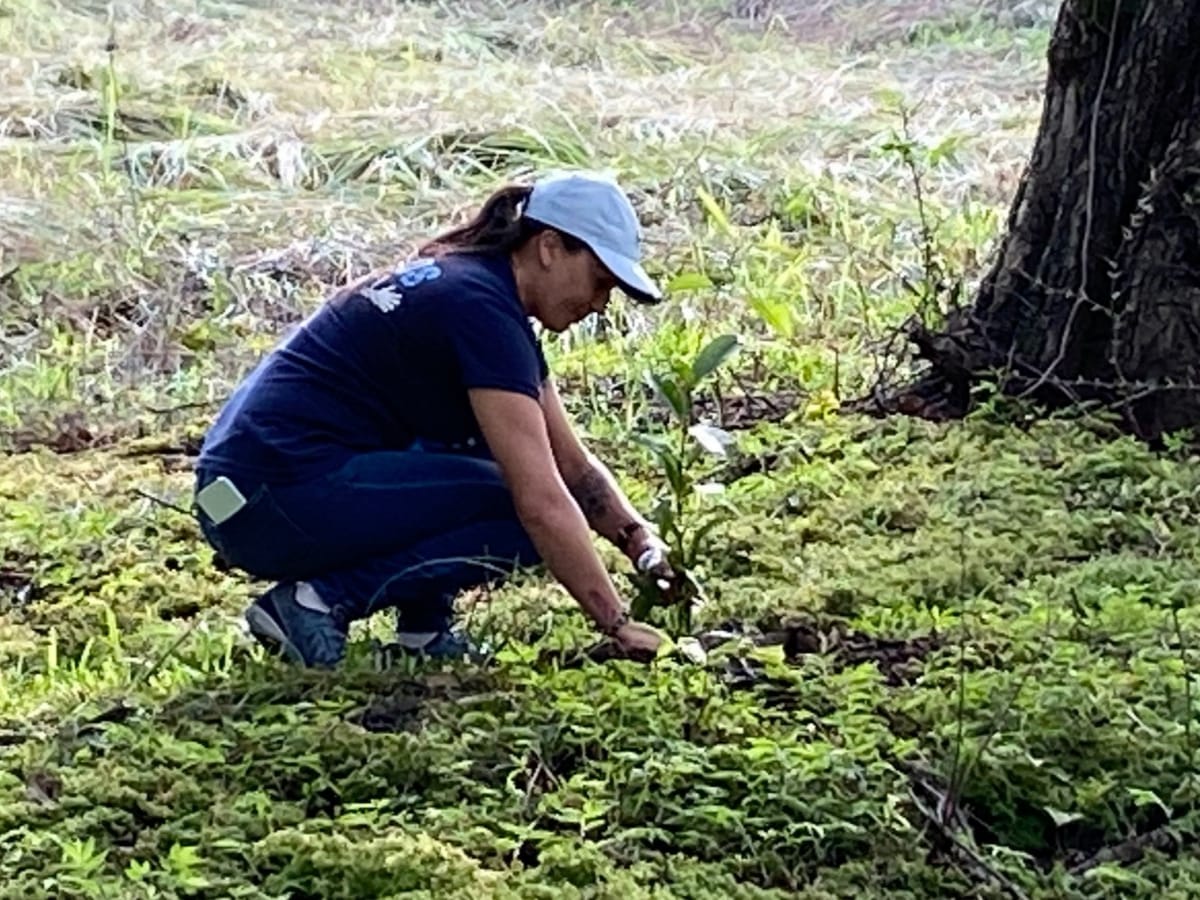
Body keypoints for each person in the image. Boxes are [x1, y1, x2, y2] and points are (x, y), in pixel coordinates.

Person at [192, 170, 675, 668]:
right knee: (516, 506)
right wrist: (616, 623)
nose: (599, 304)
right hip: (273, 496)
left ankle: (423, 630)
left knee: (485, 451)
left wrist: (641, 543)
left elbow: (573, 467)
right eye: (600, 281)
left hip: (246, 493)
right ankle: (311, 603)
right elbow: (543, 500)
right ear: (549, 247)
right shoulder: (478, 309)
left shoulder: (476, 293)